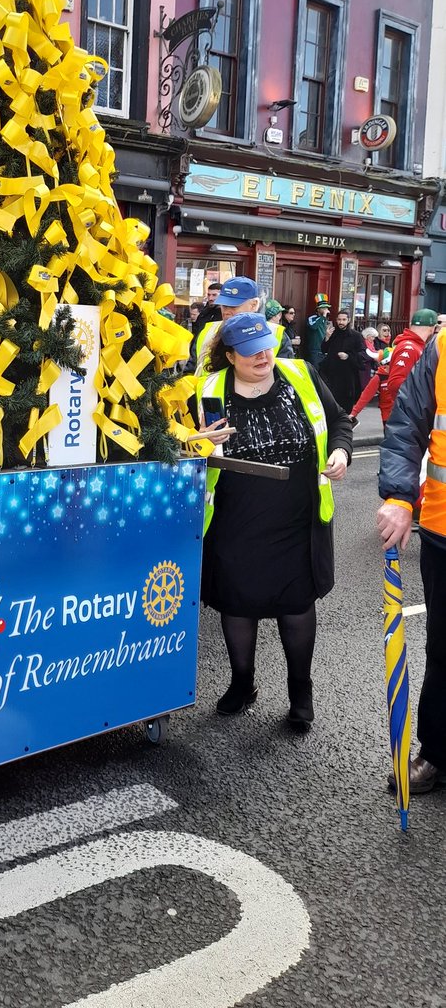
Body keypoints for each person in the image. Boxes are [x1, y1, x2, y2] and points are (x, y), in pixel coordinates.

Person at [195, 313, 352, 730]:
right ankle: (242, 684)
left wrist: (341, 452)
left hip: (297, 516)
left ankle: (301, 692)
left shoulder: (301, 374)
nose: (262, 355)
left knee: (296, 605)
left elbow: (338, 422)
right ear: (230, 356)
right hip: (236, 518)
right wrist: (201, 441)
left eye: (265, 345)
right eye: (249, 351)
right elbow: (188, 446)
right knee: (236, 604)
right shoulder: (209, 388)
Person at [377, 321, 446, 793]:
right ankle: (438, 753)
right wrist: (401, 497)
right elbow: (407, 426)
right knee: (443, 649)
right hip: (444, 528)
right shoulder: (444, 345)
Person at [190, 276, 293, 375]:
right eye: (224, 306)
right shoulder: (207, 331)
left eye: (233, 306)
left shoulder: (276, 334)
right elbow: (191, 370)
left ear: (254, 305)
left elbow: (285, 376)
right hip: (209, 392)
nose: (226, 312)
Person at [351, 309, 437, 426]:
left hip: (403, 415)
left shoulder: (415, 346)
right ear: (433, 328)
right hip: (403, 416)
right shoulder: (410, 348)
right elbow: (395, 384)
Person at [320, 309, 364, 411]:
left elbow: (362, 354)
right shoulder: (332, 333)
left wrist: (348, 356)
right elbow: (323, 350)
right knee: (331, 402)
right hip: (332, 374)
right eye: (339, 319)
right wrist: (327, 337)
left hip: (348, 376)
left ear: (348, 320)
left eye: (344, 320)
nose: (341, 322)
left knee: (346, 403)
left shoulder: (356, 336)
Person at [302, 293, 331, 367]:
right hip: (315, 351)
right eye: (323, 308)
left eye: (326, 308)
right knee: (314, 372)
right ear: (318, 309)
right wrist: (323, 316)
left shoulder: (327, 321)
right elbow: (314, 327)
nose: (326, 310)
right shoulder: (312, 318)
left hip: (325, 351)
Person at [359, 327, 380, 391]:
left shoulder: (372, 344)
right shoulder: (363, 344)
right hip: (364, 367)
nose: (373, 339)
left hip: (370, 366)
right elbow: (364, 355)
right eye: (372, 337)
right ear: (367, 336)